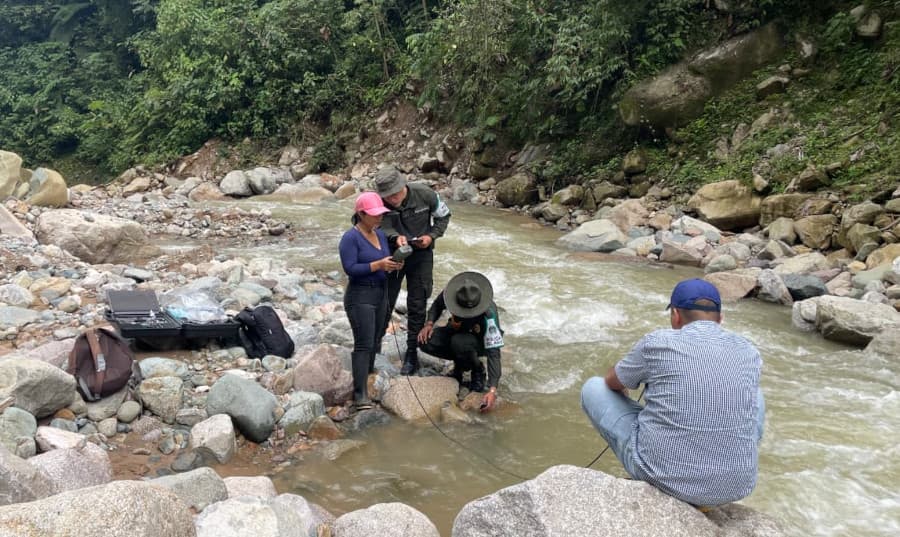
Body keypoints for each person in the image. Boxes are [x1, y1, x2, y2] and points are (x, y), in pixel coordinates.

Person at [580, 278, 765, 507]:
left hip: (665, 478)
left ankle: (671, 473)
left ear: (676, 315)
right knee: (756, 395)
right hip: (737, 486)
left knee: (594, 387)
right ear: (720, 318)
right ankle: (724, 465)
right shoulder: (749, 351)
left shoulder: (657, 342)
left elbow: (612, 382)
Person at [375, 166, 451, 375]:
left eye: (395, 194)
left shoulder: (425, 194)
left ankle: (411, 353)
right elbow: (370, 223)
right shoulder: (377, 201)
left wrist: (431, 236)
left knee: (417, 303)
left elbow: (444, 216)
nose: (392, 199)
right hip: (393, 255)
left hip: (421, 254)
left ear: (403, 186)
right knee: (384, 300)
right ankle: (375, 344)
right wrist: (393, 237)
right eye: (387, 196)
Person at [339, 192, 404, 411]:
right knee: (364, 342)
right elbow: (350, 268)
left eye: (381, 214)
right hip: (359, 296)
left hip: (380, 294)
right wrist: (378, 265)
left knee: (377, 336)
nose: (379, 218)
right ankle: (360, 397)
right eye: (375, 215)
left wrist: (393, 265)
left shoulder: (381, 235)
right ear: (361, 214)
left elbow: (384, 260)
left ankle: (367, 375)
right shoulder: (350, 238)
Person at [417, 271, 503, 412]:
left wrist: (492, 390)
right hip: (456, 331)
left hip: (479, 341)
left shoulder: (489, 313)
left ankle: (477, 370)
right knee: (424, 341)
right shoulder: (451, 293)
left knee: (460, 342)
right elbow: (436, 306)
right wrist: (429, 324)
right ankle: (460, 365)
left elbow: (494, 352)